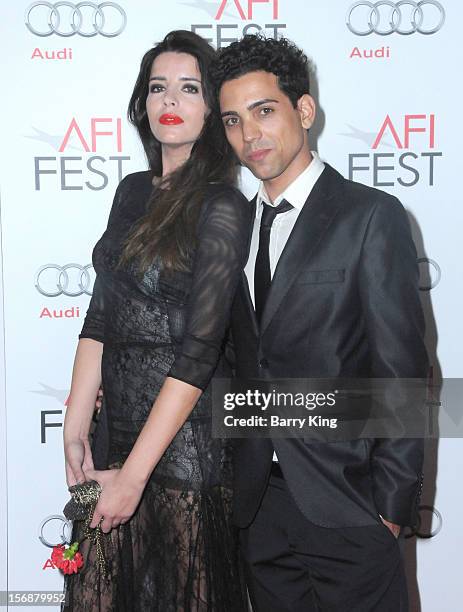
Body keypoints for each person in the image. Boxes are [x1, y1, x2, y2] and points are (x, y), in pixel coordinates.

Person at [211, 35, 428, 611]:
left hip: (350, 504)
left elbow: (403, 370)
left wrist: (389, 511)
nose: (249, 135)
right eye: (233, 120)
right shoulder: (231, 229)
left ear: (304, 110)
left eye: (264, 111)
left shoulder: (369, 216)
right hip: (261, 509)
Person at [62, 30, 250, 612]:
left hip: (183, 447)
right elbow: (103, 310)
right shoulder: (130, 191)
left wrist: (136, 475)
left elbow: (199, 351)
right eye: (158, 87)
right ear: (142, 104)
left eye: (189, 88)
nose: (170, 99)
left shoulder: (223, 205)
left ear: (213, 108)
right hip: (113, 430)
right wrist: (74, 422)